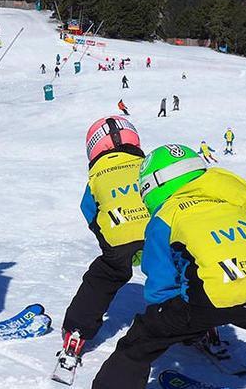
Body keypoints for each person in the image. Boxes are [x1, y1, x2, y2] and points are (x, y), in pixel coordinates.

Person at [91, 145, 246, 389]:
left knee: (140, 342)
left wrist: (169, 315)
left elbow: (160, 280)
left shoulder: (167, 215)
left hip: (205, 300)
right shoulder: (235, 207)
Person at [59, 117, 150, 369]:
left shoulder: (97, 176)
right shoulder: (146, 165)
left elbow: (88, 209)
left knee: (104, 276)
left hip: (117, 236)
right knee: (175, 272)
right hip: (156, 232)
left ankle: (77, 331)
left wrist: (106, 238)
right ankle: (200, 328)